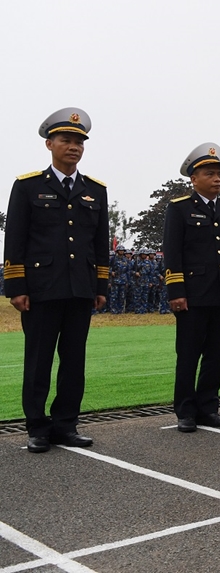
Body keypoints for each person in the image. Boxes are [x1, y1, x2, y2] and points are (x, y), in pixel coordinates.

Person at [3, 107, 109, 453]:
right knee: (38, 361)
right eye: (66, 140)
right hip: (41, 289)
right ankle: (37, 427)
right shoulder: (28, 186)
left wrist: (100, 287)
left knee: (74, 362)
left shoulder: (95, 191)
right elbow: (15, 239)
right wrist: (16, 287)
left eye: (79, 142)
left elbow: (99, 243)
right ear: (50, 144)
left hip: (80, 289)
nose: (74, 147)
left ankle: (66, 424)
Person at [163, 143, 220, 432]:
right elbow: (172, 252)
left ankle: (209, 408)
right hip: (193, 294)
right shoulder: (180, 208)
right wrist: (176, 292)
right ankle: (186, 411)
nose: (217, 179)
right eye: (210, 174)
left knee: (215, 354)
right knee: (188, 355)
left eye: (219, 174)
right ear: (194, 179)